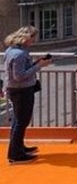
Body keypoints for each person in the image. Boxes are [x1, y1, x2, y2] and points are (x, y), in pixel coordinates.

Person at [4, 25, 51, 164]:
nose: (33, 41)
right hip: (21, 90)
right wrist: (38, 66)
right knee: (21, 121)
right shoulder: (19, 54)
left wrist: (36, 63)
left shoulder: (12, 50)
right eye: (33, 38)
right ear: (26, 38)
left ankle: (18, 148)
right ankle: (15, 154)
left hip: (17, 89)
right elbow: (19, 76)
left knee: (19, 121)